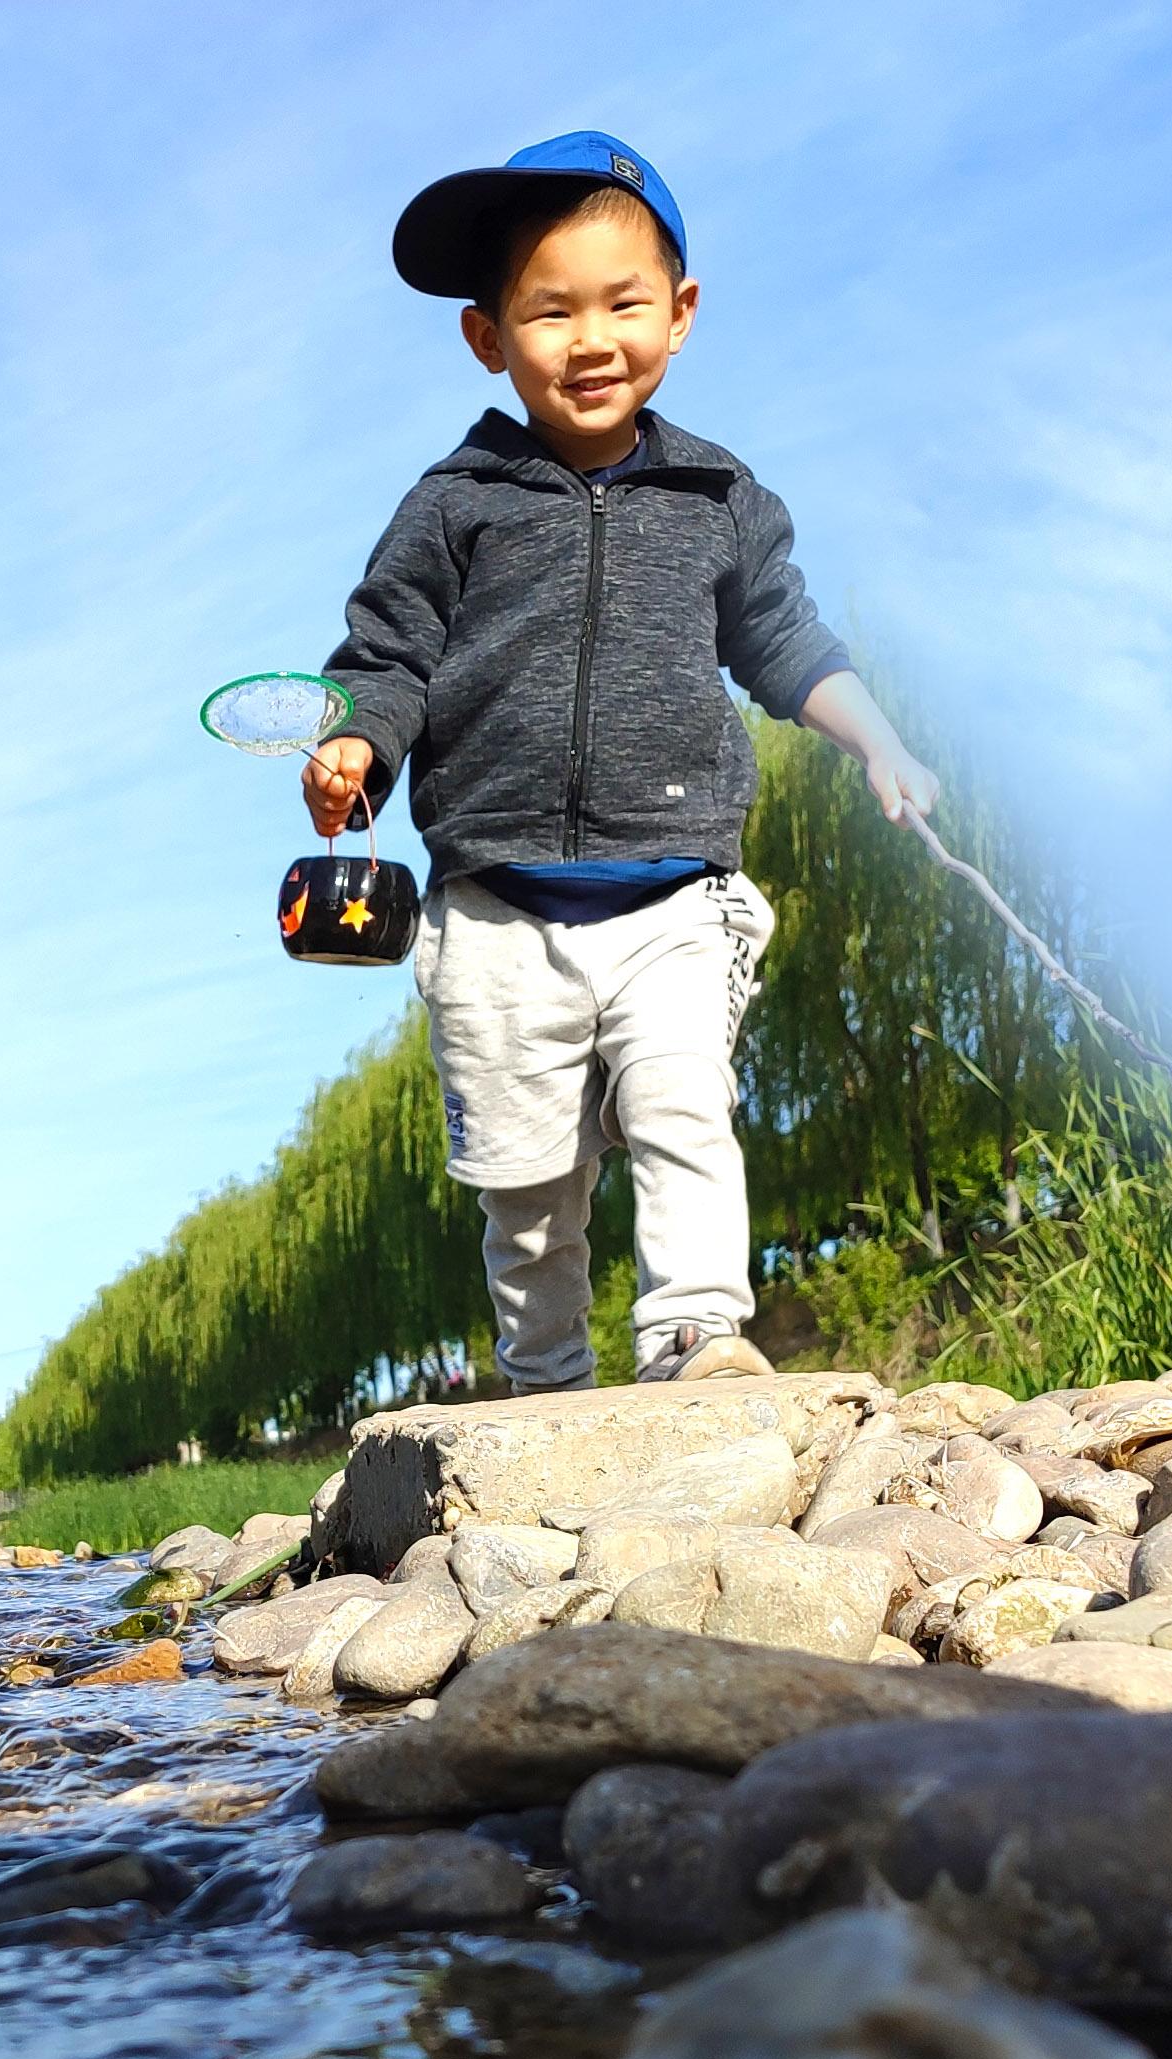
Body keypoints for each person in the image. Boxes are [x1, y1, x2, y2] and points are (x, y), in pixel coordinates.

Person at [306, 131, 942, 1391]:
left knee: (680, 1108)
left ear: (681, 315)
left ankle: (694, 1334)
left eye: (622, 303)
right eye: (549, 311)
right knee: (527, 1183)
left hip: (673, 893)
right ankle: (546, 1375)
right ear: (488, 337)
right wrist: (353, 744)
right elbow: (386, 653)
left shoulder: (717, 497)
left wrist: (881, 741)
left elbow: (780, 637)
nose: (590, 339)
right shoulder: (456, 500)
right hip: (495, 902)